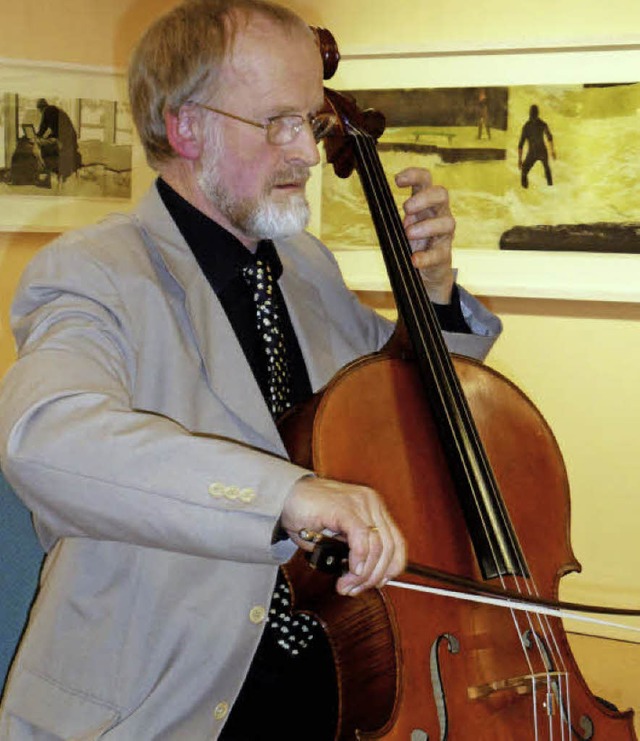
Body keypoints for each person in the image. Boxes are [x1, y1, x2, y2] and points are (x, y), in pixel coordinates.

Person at [0, 1, 501, 738]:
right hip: (164, 702)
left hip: (336, 689)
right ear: (186, 127)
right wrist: (284, 494)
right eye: (277, 123)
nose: (305, 151)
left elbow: (400, 393)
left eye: (312, 121)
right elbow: (46, 437)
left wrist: (432, 301)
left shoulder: (304, 265)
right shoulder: (91, 272)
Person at [35, 98, 82, 182]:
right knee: (47, 143)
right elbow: (57, 129)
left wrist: (36, 136)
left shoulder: (47, 111)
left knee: (42, 146)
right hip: (71, 140)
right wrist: (48, 136)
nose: (40, 113)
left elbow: (43, 129)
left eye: (39, 110)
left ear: (40, 108)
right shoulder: (55, 110)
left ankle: (48, 171)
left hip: (65, 142)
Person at [517, 104, 556, 188]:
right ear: (537, 113)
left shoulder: (526, 126)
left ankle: (525, 188)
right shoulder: (542, 124)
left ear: (530, 114)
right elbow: (549, 137)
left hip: (532, 152)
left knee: (524, 169)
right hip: (542, 151)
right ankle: (550, 186)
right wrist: (552, 151)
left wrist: (520, 159)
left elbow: (521, 144)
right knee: (547, 168)